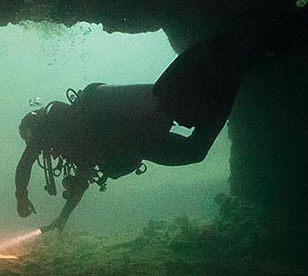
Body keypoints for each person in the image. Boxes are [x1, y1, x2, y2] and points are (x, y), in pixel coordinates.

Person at [15, 36, 257, 231]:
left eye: (29, 137)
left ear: (33, 127)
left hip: (133, 124)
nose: (34, 147)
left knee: (169, 102)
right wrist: (63, 218)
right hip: (136, 142)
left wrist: (21, 196)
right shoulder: (73, 146)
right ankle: (230, 80)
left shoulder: (51, 124)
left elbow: (25, 163)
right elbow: (81, 184)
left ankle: (208, 53)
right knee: (195, 151)